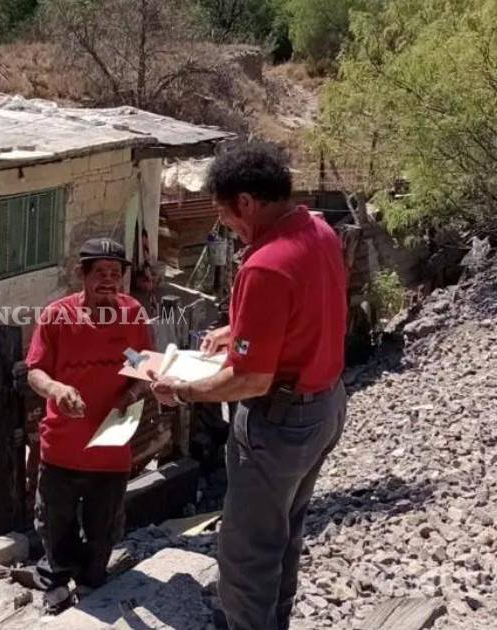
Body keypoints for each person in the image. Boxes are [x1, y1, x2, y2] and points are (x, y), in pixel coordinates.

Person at [151, 144, 348, 630]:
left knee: (246, 552)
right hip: (325, 406)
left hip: (279, 422)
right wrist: (238, 328)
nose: (226, 227)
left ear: (245, 202)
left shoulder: (264, 265)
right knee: (284, 532)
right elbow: (304, 310)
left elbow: (250, 379)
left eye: (224, 215)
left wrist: (183, 390)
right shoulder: (318, 231)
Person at [26, 237, 153, 612]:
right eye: (100, 272)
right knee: (55, 523)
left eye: (115, 273)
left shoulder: (131, 315)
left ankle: (92, 582)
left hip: (111, 446)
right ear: (82, 275)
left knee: (104, 528)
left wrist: (131, 393)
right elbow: (35, 371)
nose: (108, 280)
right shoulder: (57, 316)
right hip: (62, 447)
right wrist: (57, 388)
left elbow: (141, 366)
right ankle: (56, 581)